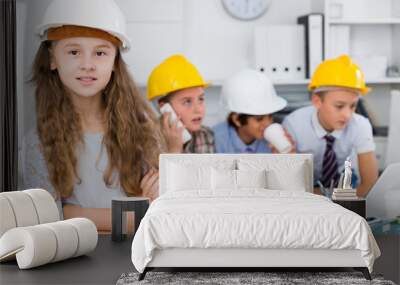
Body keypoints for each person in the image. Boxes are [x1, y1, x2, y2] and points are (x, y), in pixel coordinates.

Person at [23, 0, 165, 231]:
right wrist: (135, 215)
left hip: (134, 256)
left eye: (100, 52)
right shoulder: (36, 142)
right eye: (74, 51)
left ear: (114, 62)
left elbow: (161, 207)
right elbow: (48, 217)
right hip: (72, 259)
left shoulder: (143, 128)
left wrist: (76, 213)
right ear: (51, 59)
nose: (87, 64)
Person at [282, 55, 378, 197]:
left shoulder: (360, 125)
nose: (347, 115)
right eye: (339, 106)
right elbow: (289, 183)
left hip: (344, 185)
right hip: (308, 188)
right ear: (317, 101)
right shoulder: (293, 124)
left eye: (353, 106)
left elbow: (370, 183)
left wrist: (342, 204)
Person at [147, 54, 215, 153]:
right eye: (187, 101)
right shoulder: (147, 141)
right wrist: (174, 150)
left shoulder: (206, 135)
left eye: (201, 99)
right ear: (165, 108)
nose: (198, 109)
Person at [213, 68, 290, 153]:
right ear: (237, 119)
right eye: (259, 119)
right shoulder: (215, 140)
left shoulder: (273, 140)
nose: (267, 124)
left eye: (270, 116)